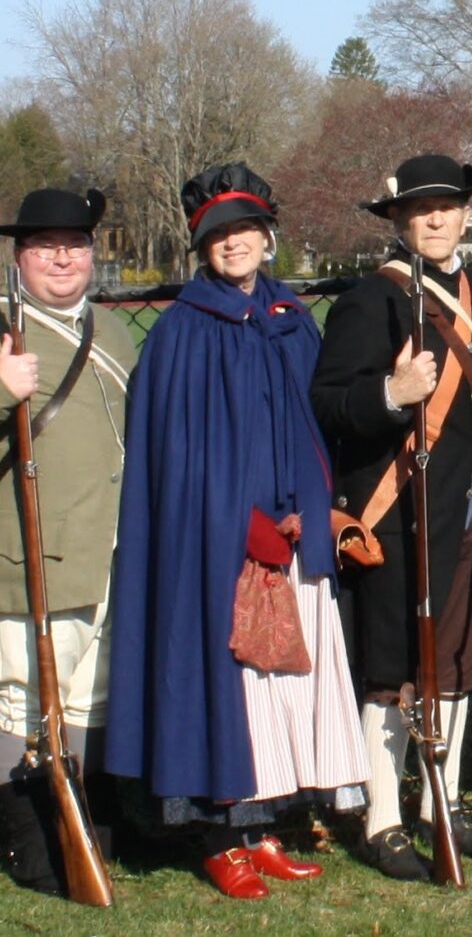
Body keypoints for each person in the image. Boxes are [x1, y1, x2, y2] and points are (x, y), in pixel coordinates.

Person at [105, 162, 367, 898]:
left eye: (246, 229)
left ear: (266, 235)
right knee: (230, 686)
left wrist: (309, 510)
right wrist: (242, 523)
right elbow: (175, 458)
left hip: (296, 540)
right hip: (218, 550)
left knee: (281, 686)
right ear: (201, 244)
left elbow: (318, 426)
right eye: (219, 234)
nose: (234, 243)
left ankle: (264, 828)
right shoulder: (184, 332)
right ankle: (222, 838)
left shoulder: (291, 319)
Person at [0, 187, 138, 891]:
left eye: (74, 245)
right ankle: (34, 845)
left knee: (91, 697)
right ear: (20, 256)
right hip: (28, 548)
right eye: (45, 247)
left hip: (107, 546)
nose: (62, 258)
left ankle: (84, 830)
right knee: (24, 698)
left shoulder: (114, 331)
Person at [311, 154, 472, 880]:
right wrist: (392, 394)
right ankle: (383, 818)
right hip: (395, 505)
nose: (435, 220)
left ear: (465, 216)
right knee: (392, 664)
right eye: (421, 210)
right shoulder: (371, 300)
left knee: (455, 657)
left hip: (469, 502)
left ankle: (440, 801)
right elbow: (330, 403)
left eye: (447, 208)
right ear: (398, 220)